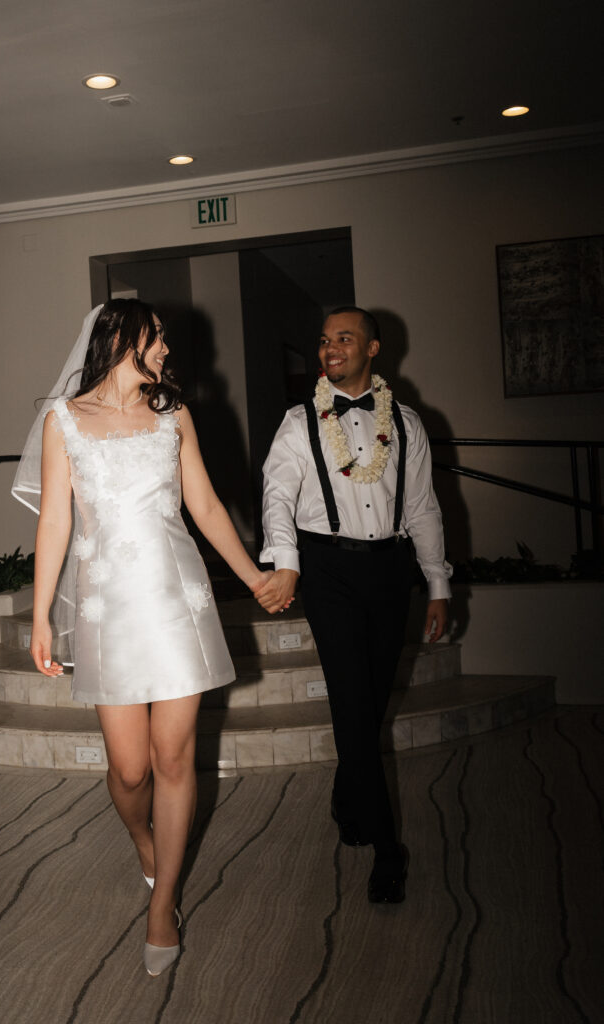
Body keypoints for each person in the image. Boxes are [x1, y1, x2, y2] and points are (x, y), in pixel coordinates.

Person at [13, 299, 273, 976]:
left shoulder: (173, 415)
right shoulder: (63, 420)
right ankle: (139, 833)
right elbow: (54, 524)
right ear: (121, 338)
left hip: (175, 600)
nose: (164, 350)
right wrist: (41, 615)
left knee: (174, 759)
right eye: (154, 339)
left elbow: (207, 507)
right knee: (128, 770)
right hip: (105, 607)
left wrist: (253, 578)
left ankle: (164, 909)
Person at [255, 306, 452, 903]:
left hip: (390, 571)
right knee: (350, 699)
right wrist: (284, 561)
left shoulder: (410, 425)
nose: (330, 348)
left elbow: (422, 508)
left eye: (344, 339)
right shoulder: (297, 423)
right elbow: (276, 494)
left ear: (373, 349)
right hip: (328, 569)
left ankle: (348, 796)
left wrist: (437, 583)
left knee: (370, 700)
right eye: (323, 340)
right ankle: (388, 848)